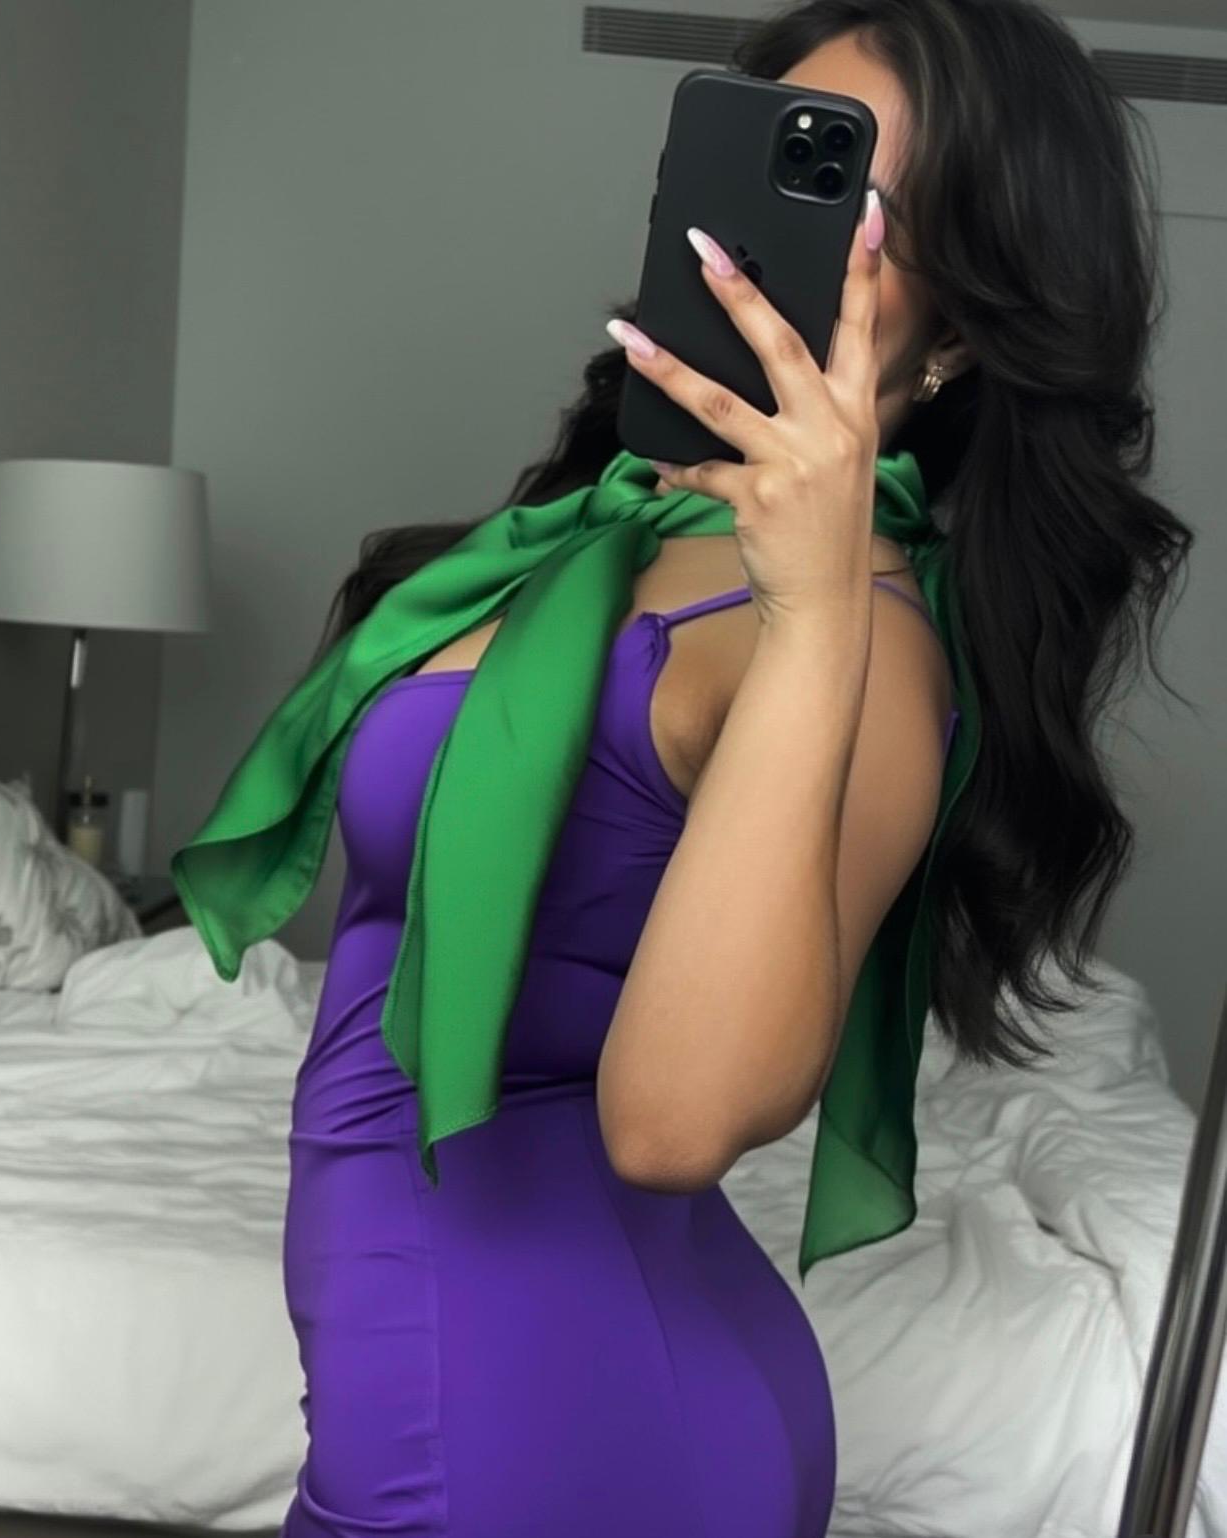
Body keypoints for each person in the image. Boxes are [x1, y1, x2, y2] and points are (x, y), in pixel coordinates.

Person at [236, 3, 1193, 1534]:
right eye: (766, 163)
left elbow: (674, 1123)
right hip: (465, 1388)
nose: (762, 236)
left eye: (854, 198)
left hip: (538, 1433)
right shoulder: (611, 530)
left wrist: (810, 609)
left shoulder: (862, 639)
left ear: (955, 333)